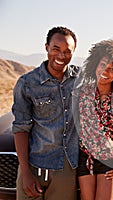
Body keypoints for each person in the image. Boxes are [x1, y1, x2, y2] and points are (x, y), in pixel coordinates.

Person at [12, 26, 79, 200]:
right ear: (47, 47)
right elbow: (20, 128)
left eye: (67, 51)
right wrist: (25, 172)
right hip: (35, 165)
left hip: (66, 169)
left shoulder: (81, 80)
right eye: (56, 48)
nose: (61, 55)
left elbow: (108, 82)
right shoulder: (27, 83)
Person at [75, 40, 113, 200]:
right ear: (95, 65)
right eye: (102, 65)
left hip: (112, 160)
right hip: (85, 158)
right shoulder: (83, 93)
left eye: (112, 69)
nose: (105, 71)